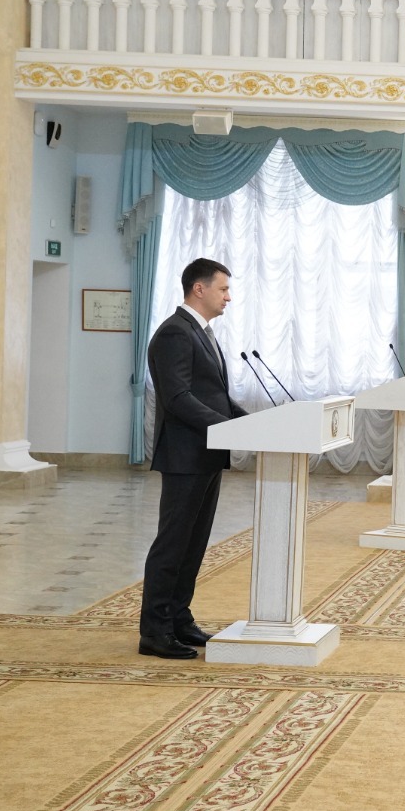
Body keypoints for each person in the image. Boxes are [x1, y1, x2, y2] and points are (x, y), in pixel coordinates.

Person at [141, 257, 248, 660]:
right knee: (173, 544)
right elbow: (178, 398)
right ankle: (154, 631)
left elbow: (214, 396)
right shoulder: (175, 332)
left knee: (194, 543)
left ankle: (179, 619)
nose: (228, 297)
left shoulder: (201, 332)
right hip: (184, 455)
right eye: (223, 289)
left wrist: (251, 423)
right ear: (199, 289)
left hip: (206, 454)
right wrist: (229, 427)